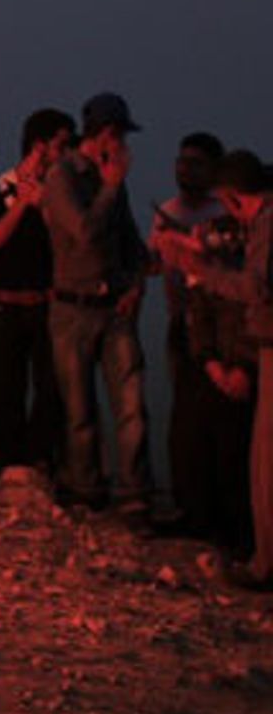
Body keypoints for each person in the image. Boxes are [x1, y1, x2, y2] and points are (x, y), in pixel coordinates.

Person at [158, 150, 272, 588]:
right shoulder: (252, 227)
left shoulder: (265, 224)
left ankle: (263, 563)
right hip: (249, 347)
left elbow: (255, 288)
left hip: (261, 346)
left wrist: (202, 268)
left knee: (261, 461)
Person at [42, 92, 151, 518]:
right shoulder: (62, 176)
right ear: (106, 134)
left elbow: (129, 241)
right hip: (73, 308)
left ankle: (133, 492)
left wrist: (138, 281)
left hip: (113, 306)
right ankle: (87, 486)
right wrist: (110, 186)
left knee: (130, 405)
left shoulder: (113, 182)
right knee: (79, 407)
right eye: (121, 136)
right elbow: (83, 231)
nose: (124, 148)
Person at [0, 109, 69, 473]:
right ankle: (5, 457)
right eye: (61, 143)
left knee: (49, 389)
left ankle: (40, 457)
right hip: (4, 305)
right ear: (40, 146)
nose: (66, 152)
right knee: (4, 386)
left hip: (44, 304)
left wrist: (45, 206)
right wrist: (22, 206)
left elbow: (67, 244)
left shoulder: (59, 194)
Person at [151, 133, 233, 537]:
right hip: (180, 320)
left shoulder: (224, 213)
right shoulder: (168, 209)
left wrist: (193, 251)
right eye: (181, 162)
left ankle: (218, 512)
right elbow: (153, 263)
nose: (184, 170)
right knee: (184, 416)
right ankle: (189, 505)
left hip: (220, 329)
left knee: (217, 419)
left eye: (195, 163)